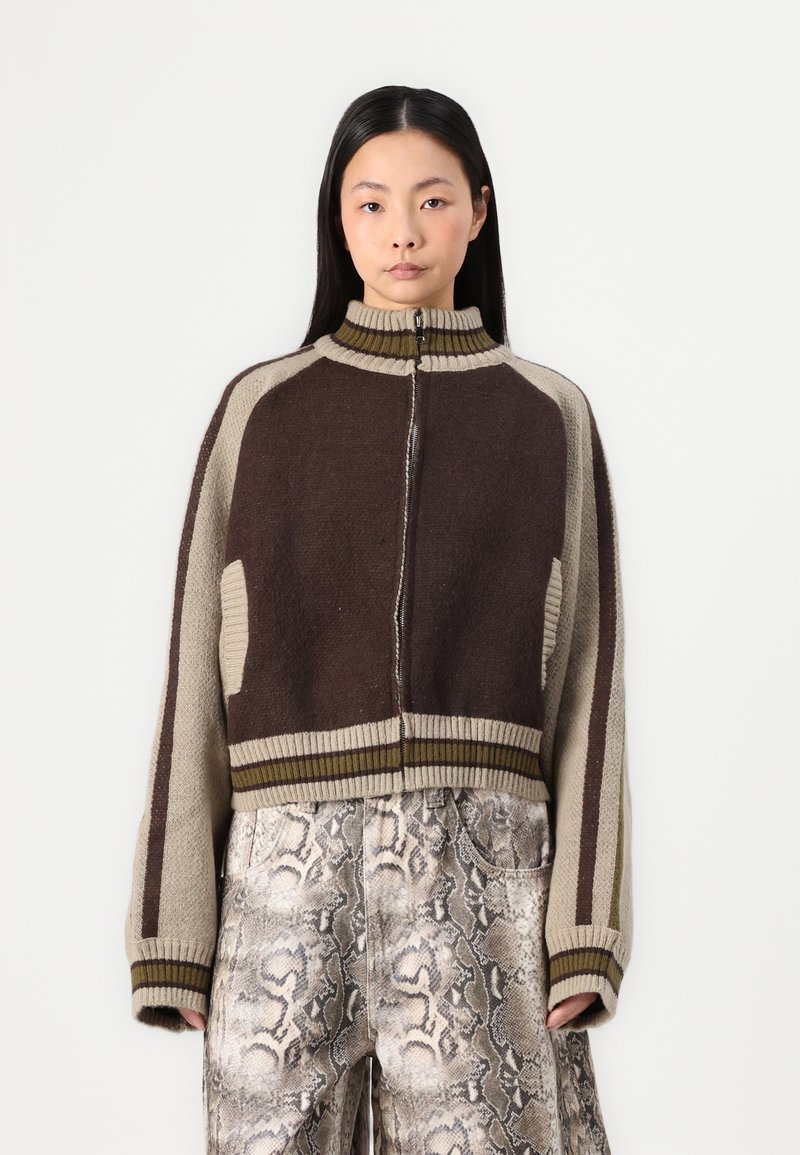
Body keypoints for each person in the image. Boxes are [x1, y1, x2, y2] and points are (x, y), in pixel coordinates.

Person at [124, 84, 633, 1154]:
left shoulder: (547, 416)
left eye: (432, 200)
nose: (402, 230)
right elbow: (194, 671)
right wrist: (171, 928)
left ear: (478, 211)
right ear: (337, 219)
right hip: (282, 879)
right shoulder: (262, 410)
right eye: (370, 203)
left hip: (481, 874)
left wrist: (586, 929)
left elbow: (589, 681)